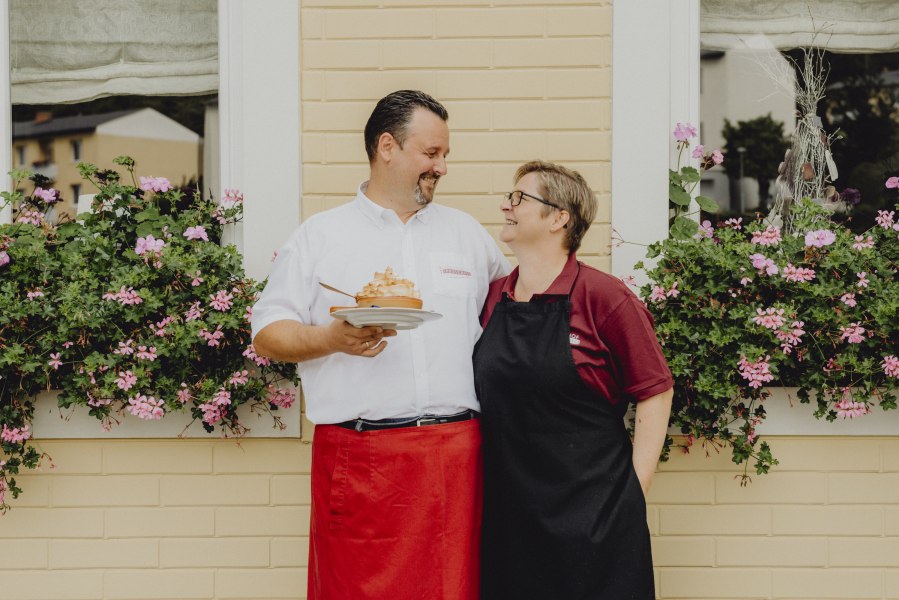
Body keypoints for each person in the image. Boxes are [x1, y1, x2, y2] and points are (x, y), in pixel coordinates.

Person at [250, 90, 509, 600]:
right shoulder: (319, 237)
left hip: (456, 457)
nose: (443, 167)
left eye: (445, 155)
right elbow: (267, 334)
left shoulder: (468, 237)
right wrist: (330, 338)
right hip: (359, 459)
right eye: (432, 154)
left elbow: (511, 323)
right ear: (387, 147)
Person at [473, 160, 674, 599]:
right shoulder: (492, 299)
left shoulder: (604, 297)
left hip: (595, 517)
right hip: (511, 520)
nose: (506, 207)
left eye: (519, 198)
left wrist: (633, 493)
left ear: (559, 217)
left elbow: (655, 391)